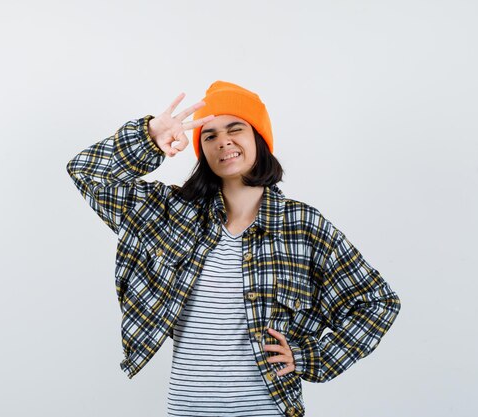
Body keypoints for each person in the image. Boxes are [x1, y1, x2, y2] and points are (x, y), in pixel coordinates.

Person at [66, 81, 401, 417]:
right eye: (209, 135)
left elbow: (377, 302)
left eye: (234, 128)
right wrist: (149, 137)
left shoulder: (301, 224)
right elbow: (86, 173)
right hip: (187, 409)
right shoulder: (170, 215)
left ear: (258, 137)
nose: (222, 141)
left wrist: (308, 356)